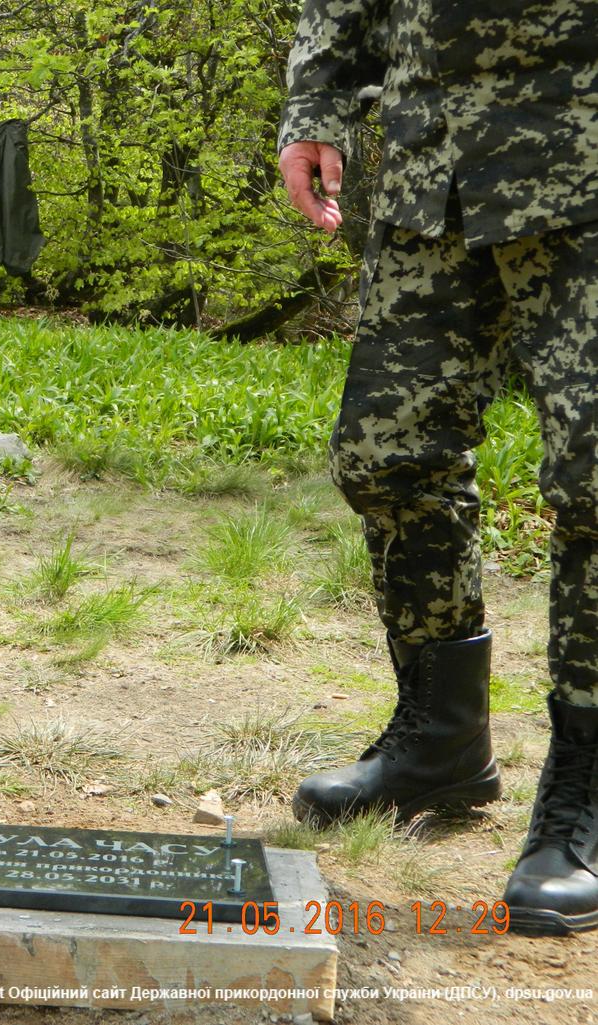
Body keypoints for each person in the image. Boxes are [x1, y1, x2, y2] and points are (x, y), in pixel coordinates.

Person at [278, 0, 598, 935]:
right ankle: (442, 742)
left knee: (594, 482)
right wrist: (317, 110)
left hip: (582, 156)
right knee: (386, 455)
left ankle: (585, 782)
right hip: (436, 168)